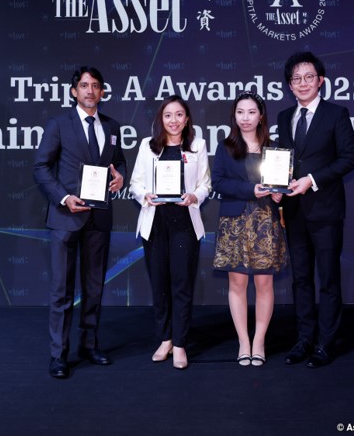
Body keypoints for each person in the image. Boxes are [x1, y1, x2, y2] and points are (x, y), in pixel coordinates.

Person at [33, 66, 127, 379]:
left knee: (94, 287)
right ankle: (58, 355)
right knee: (61, 290)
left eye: (95, 86)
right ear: (74, 91)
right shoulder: (59, 123)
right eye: (84, 86)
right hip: (65, 217)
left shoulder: (112, 126)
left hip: (99, 217)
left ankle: (90, 344)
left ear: (102, 92)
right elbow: (41, 167)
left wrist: (120, 177)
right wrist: (63, 197)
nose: (89, 91)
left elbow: (120, 161)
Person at [276, 51, 354, 368]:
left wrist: (311, 179)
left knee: (327, 279)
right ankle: (304, 339)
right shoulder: (284, 117)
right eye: (296, 79)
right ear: (289, 85)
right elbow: (282, 160)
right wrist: (277, 187)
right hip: (294, 211)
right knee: (300, 279)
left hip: (325, 210)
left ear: (320, 80)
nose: (303, 83)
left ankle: (325, 342)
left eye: (309, 77)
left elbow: (349, 159)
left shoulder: (336, 114)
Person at [129, 95, 211, 370]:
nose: (173, 120)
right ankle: (164, 338)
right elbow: (135, 184)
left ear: (187, 119)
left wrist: (194, 197)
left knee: (181, 284)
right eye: (168, 115)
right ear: (160, 119)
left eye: (179, 115)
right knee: (160, 284)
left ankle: (179, 344)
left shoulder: (197, 146)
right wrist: (146, 195)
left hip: (185, 223)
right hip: (155, 222)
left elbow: (205, 184)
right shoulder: (147, 147)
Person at [212, 92, 287, 367]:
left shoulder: (275, 149)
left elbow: (279, 185)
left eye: (251, 112)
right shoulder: (225, 147)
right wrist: (250, 190)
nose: (245, 118)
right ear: (234, 115)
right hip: (234, 221)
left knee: (264, 283)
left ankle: (259, 341)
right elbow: (218, 183)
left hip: (265, 221)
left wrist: (279, 194)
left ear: (261, 115)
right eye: (240, 112)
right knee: (237, 283)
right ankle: (244, 341)